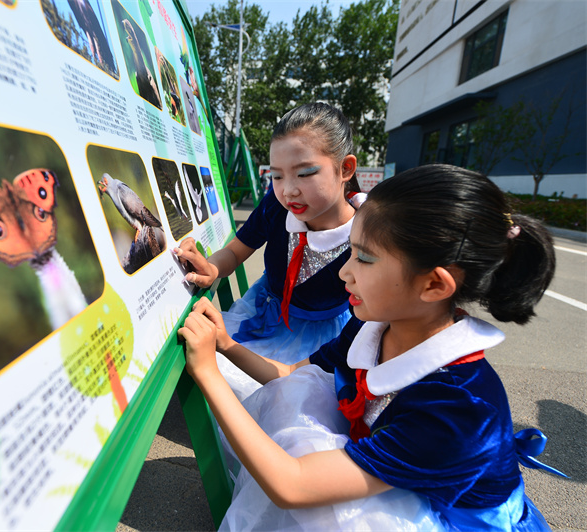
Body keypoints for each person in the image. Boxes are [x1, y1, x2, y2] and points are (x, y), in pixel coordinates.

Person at [179, 164, 560, 531]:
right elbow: (292, 375)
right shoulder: (374, 327)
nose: (345, 271)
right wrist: (226, 345)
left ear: (434, 285)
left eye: (363, 258)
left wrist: (207, 374)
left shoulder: (459, 407)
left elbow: (293, 486)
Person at [174, 102, 363, 399]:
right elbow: (237, 251)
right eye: (276, 176)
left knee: (285, 401)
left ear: (346, 168)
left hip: (317, 339)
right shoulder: (276, 207)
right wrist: (212, 267)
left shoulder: (366, 237)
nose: (288, 190)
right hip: (259, 310)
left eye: (305, 173)